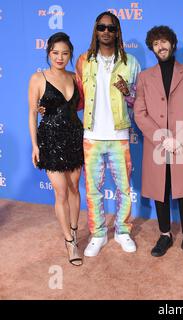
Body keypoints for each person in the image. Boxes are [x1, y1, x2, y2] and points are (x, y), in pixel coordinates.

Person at [133, 26, 183, 263]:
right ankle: (165, 235)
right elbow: (139, 113)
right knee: (160, 191)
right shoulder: (144, 77)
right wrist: (162, 138)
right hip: (157, 144)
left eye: (164, 42)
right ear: (152, 47)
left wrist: (179, 138)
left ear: (172, 44)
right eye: (155, 43)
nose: (160, 46)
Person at [76, 11, 141, 256]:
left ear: (117, 32)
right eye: (102, 27)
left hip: (119, 135)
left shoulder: (131, 62)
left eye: (111, 28)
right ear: (96, 30)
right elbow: (79, 98)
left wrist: (128, 93)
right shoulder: (83, 61)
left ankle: (123, 231)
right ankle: (99, 234)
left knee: (124, 188)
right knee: (93, 189)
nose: (106, 32)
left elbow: (137, 101)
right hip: (91, 135)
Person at [28, 32, 84, 266]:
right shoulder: (38, 78)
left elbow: (80, 106)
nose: (60, 57)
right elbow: (32, 113)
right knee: (60, 191)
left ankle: (74, 229)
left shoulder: (75, 77)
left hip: (74, 138)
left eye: (65, 53)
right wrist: (34, 145)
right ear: (48, 53)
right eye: (55, 53)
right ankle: (69, 241)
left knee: (74, 188)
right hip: (50, 140)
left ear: (70, 54)